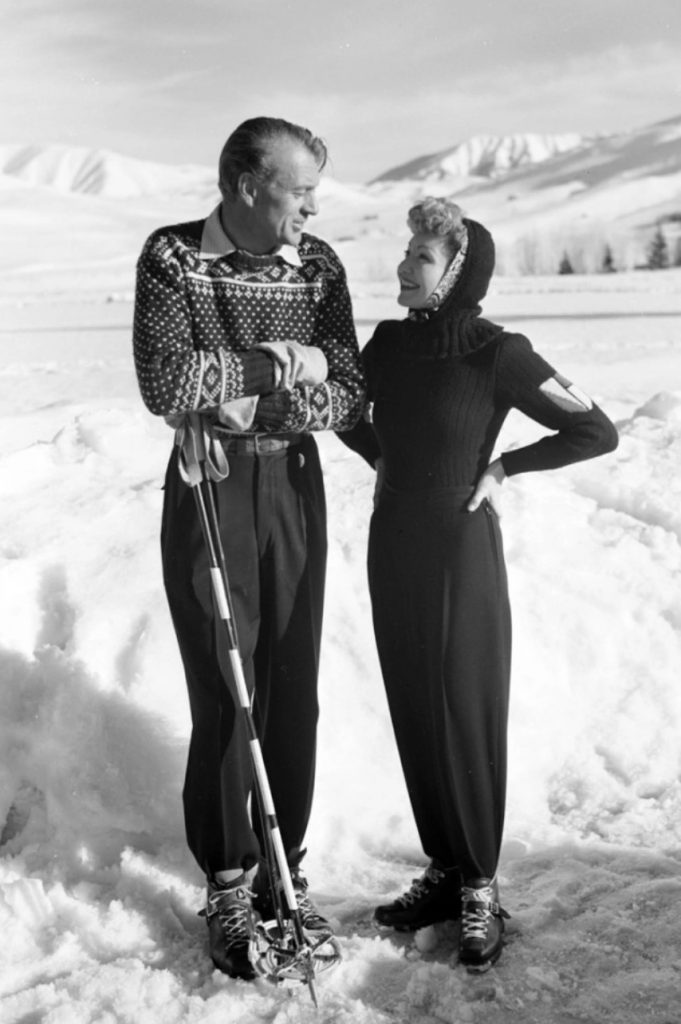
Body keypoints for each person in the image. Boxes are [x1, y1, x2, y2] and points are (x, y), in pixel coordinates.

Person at [339, 197, 618, 973]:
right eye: (407, 251)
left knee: (463, 707)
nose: (403, 265)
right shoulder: (388, 342)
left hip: (461, 548)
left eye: (420, 256)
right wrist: (388, 464)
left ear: (457, 271)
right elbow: (341, 413)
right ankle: (442, 869)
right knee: (413, 706)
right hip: (391, 541)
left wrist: (503, 467)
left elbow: (594, 428)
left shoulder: (499, 351)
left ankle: (481, 887)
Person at [133, 117, 365, 980]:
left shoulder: (319, 264)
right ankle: (228, 877)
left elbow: (344, 390)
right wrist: (283, 359)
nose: (310, 208)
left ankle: (282, 861)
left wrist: (245, 387)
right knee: (228, 684)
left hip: (291, 483)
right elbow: (167, 382)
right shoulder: (172, 258)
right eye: (297, 190)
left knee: (291, 681)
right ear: (243, 184)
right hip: (209, 481)